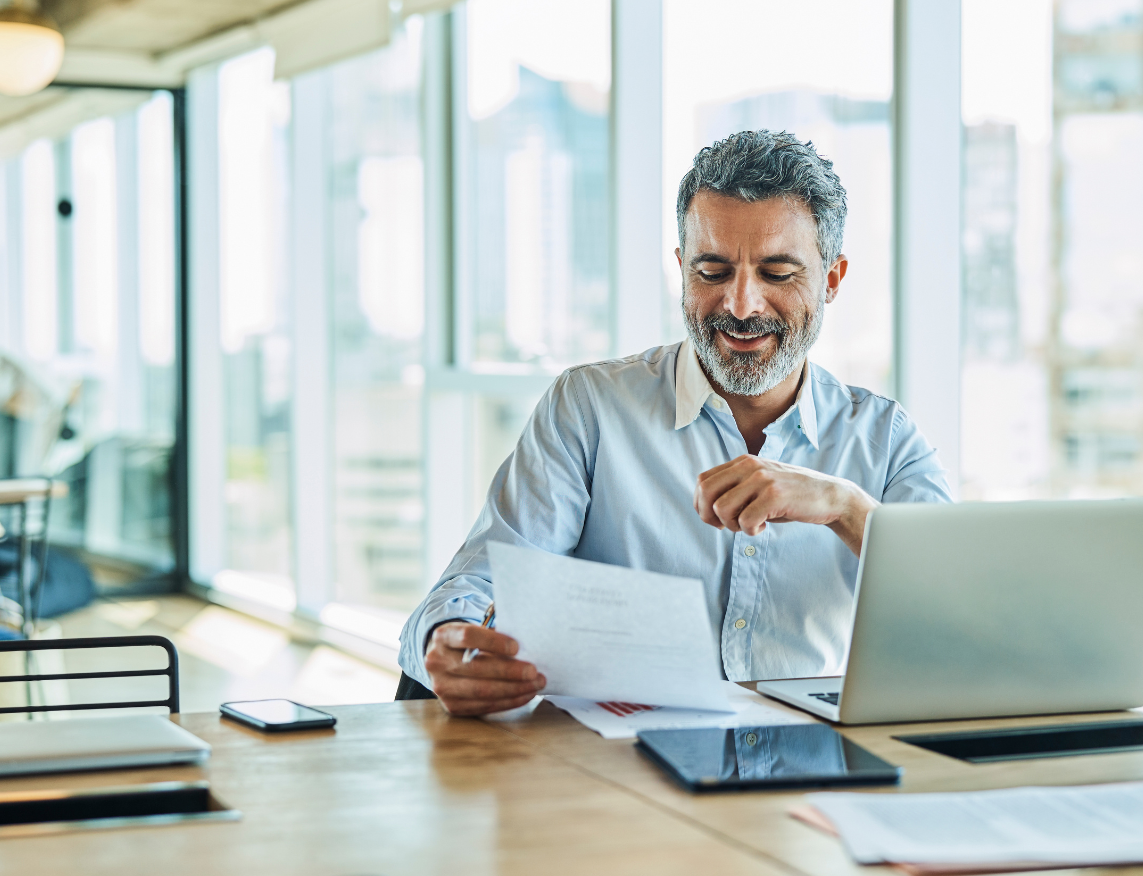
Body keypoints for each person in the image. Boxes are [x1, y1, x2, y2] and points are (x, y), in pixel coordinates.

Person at [398, 130, 952, 715]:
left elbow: (964, 612)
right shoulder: (590, 408)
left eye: (778, 273)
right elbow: (482, 582)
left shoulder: (886, 441)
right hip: (609, 777)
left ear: (832, 280)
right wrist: (449, 643)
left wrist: (844, 507)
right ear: (681, 269)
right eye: (712, 271)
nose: (741, 306)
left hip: (807, 780)